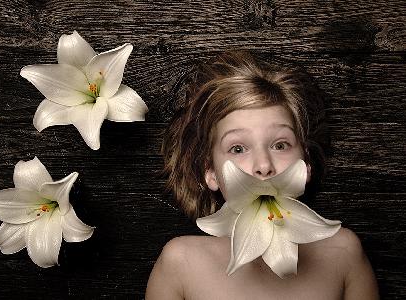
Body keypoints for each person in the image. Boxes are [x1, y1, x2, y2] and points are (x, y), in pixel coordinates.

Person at [146, 51, 379, 299]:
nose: (264, 165)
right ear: (211, 172)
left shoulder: (344, 253)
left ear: (306, 164)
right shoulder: (180, 263)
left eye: (280, 145)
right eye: (238, 148)